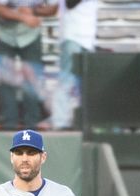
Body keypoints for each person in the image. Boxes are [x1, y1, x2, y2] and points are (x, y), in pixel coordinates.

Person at [0, 0, 57, 130]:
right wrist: (22, 16)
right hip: (4, 34)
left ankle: (31, 125)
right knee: (7, 81)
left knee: (32, 80)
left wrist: (33, 11)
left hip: (30, 34)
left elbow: (53, 8)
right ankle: (9, 125)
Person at [50, 0, 98, 130]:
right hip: (72, 36)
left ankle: (85, 122)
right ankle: (60, 122)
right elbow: (69, 3)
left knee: (86, 84)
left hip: (88, 39)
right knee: (66, 79)